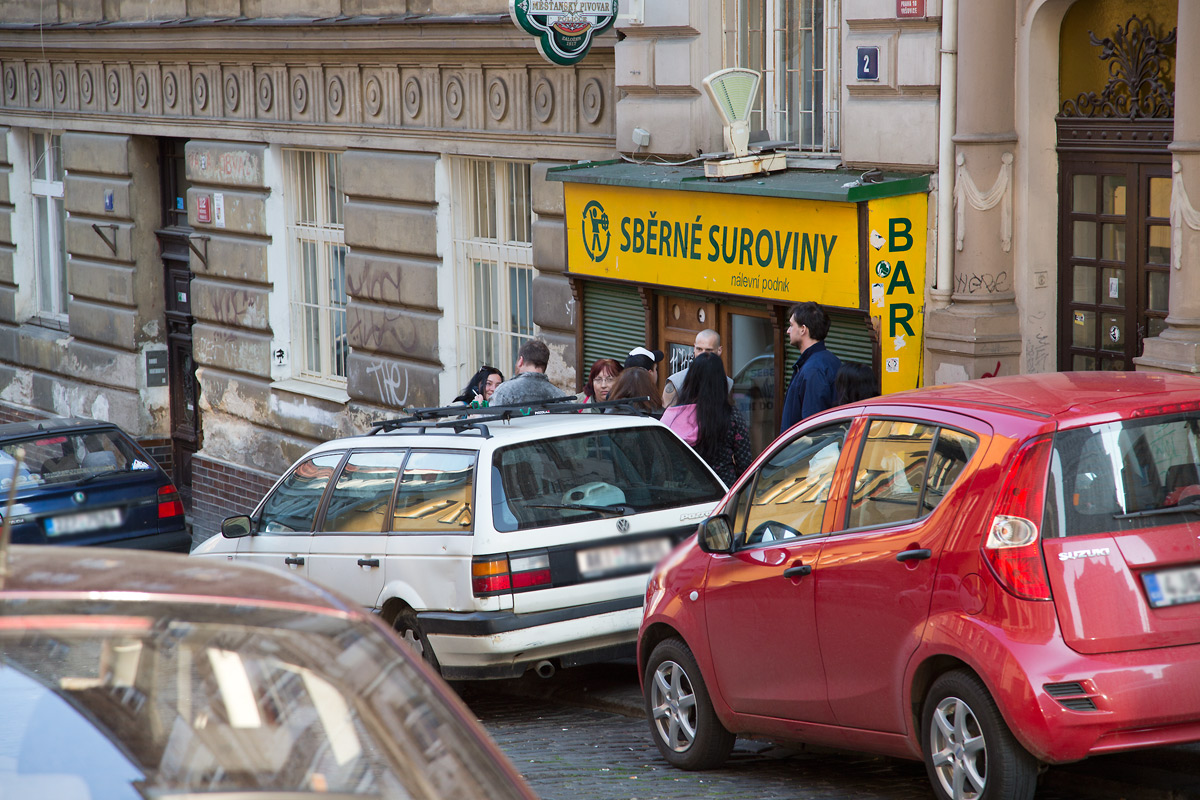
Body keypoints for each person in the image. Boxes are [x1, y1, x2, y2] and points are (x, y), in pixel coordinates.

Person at [662, 352, 751, 486]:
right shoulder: (732, 416)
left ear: (690, 379)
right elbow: (744, 463)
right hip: (722, 489)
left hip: (683, 491)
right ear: (721, 381)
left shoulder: (673, 416)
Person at [780, 301, 842, 432]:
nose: (787, 331)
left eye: (791, 325)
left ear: (803, 329)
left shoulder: (813, 370)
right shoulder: (830, 361)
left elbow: (812, 430)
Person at [662, 329, 733, 408]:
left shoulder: (727, 383)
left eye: (708, 350)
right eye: (699, 349)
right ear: (694, 348)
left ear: (719, 350)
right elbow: (667, 417)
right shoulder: (676, 383)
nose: (702, 354)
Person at [489, 338, 569, 407]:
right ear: (545, 365)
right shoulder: (560, 396)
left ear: (520, 361)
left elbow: (489, 421)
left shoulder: (505, 391)